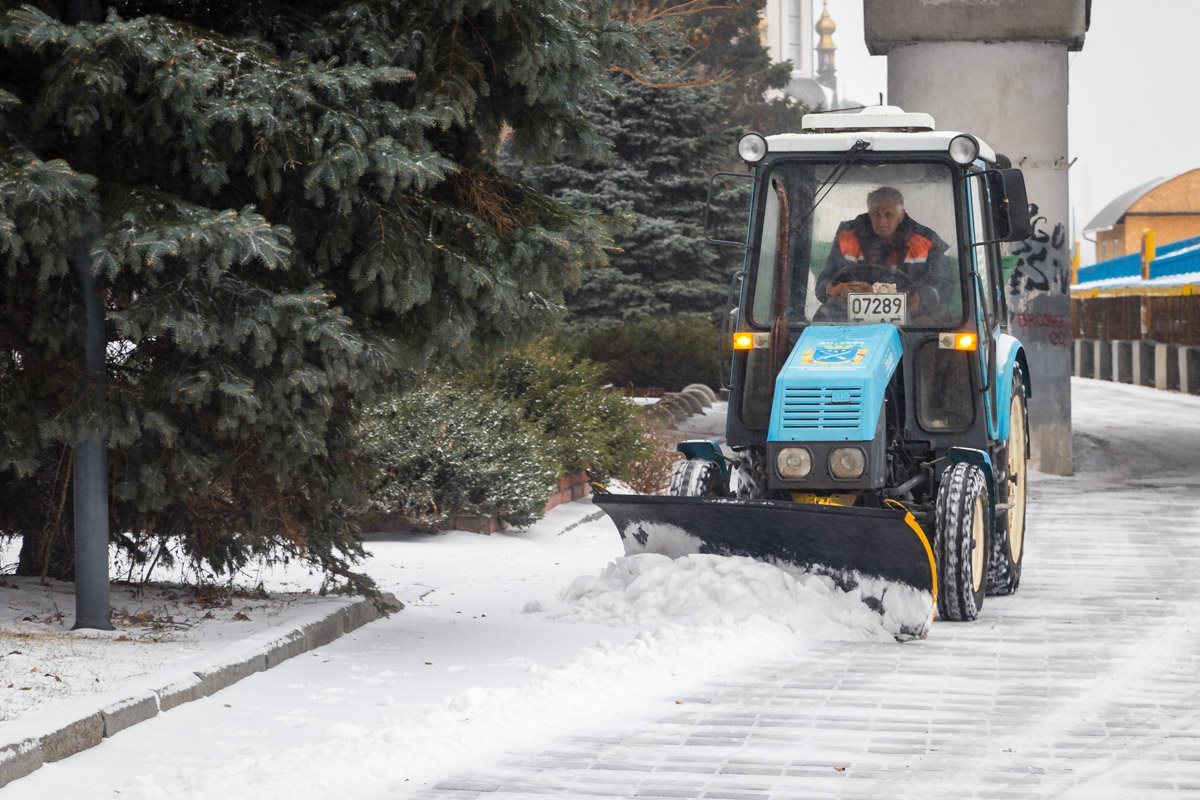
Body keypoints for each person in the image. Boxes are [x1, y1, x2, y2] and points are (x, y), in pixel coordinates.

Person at [815, 186, 949, 318]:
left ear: (901, 215)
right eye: (876, 214)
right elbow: (825, 279)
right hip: (847, 315)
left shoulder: (926, 241)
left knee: (930, 324)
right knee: (822, 318)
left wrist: (921, 297)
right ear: (869, 214)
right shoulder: (847, 236)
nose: (882, 221)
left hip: (912, 319)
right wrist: (833, 289)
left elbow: (943, 284)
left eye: (888, 214)